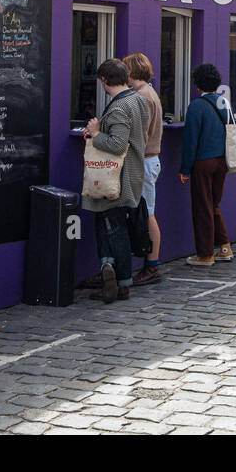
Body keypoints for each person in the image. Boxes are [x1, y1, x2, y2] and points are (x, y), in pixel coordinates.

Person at [81, 58, 149, 303]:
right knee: (112, 226)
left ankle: (120, 281)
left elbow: (118, 143)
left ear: (103, 81)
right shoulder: (139, 100)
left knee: (113, 226)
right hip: (133, 173)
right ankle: (108, 267)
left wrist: (97, 133)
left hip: (116, 178)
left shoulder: (120, 107)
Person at [179, 64, 233, 267]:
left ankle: (205, 254)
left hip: (203, 162)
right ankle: (224, 246)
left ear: (197, 84)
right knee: (214, 204)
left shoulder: (196, 106)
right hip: (222, 160)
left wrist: (185, 169)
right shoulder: (223, 102)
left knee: (202, 207)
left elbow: (190, 141)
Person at [123, 52, 164, 286]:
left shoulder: (142, 96)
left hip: (145, 160)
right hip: (150, 159)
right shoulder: (149, 93)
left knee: (147, 213)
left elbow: (140, 132)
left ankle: (152, 265)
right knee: (145, 212)